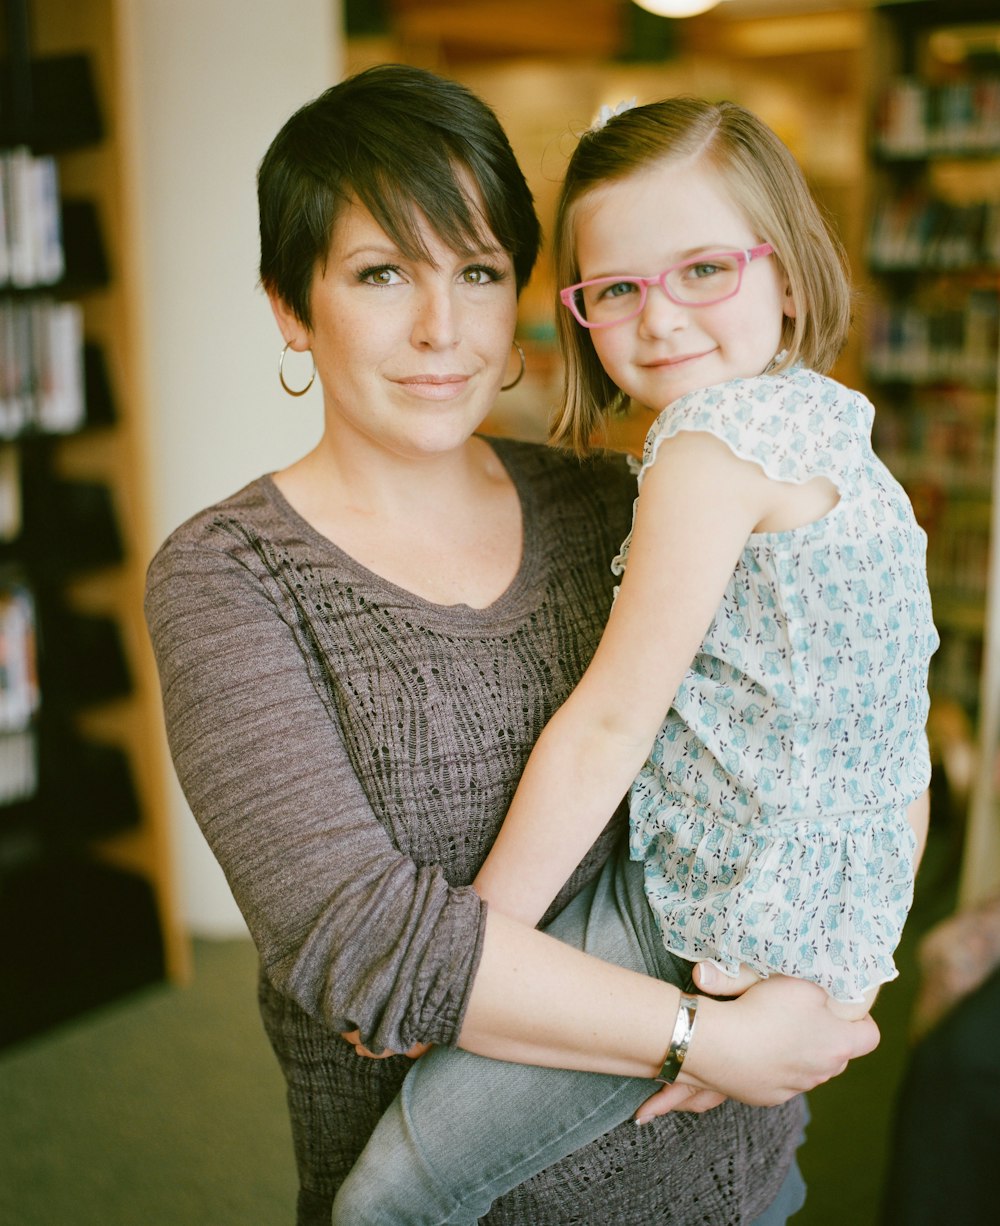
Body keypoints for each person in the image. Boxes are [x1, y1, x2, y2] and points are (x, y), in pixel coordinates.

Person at [145, 68, 881, 1226]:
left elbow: (828, 727)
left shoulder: (621, 501)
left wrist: (817, 988)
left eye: (479, 272)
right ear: (293, 308)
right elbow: (369, 951)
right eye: (381, 273)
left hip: (732, 1175)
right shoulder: (231, 576)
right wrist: (709, 1035)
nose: (442, 328)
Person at [331, 94, 936, 1223]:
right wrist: (840, 971)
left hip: (703, 906)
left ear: (789, 275)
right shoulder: (834, 422)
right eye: (615, 289)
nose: (658, 320)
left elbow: (609, 725)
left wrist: (459, 967)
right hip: (809, 911)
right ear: (579, 312)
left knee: (386, 1197)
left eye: (703, 268)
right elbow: (896, 741)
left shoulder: (704, 455)